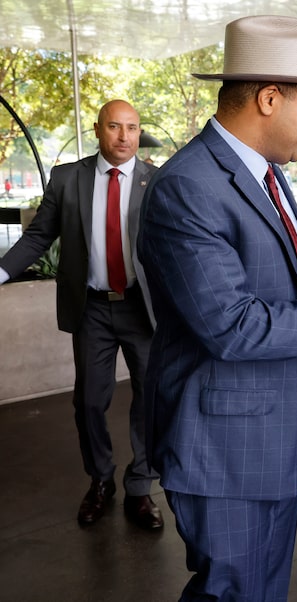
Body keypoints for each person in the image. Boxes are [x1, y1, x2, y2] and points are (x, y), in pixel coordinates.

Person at [137, 15, 297, 601]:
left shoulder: (261, 171)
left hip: (271, 440)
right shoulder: (187, 187)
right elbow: (233, 324)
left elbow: (279, 265)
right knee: (234, 591)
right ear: (269, 99)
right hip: (224, 454)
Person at [0, 100, 163, 530]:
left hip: (142, 308)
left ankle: (141, 488)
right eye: (114, 126)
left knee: (150, 399)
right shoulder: (68, 178)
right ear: (97, 129)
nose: (124, 136)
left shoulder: (157, 181)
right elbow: (37, 237)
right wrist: (1, 271)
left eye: (131, 127)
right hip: (91, 308)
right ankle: (101, 480)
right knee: (89, 401)